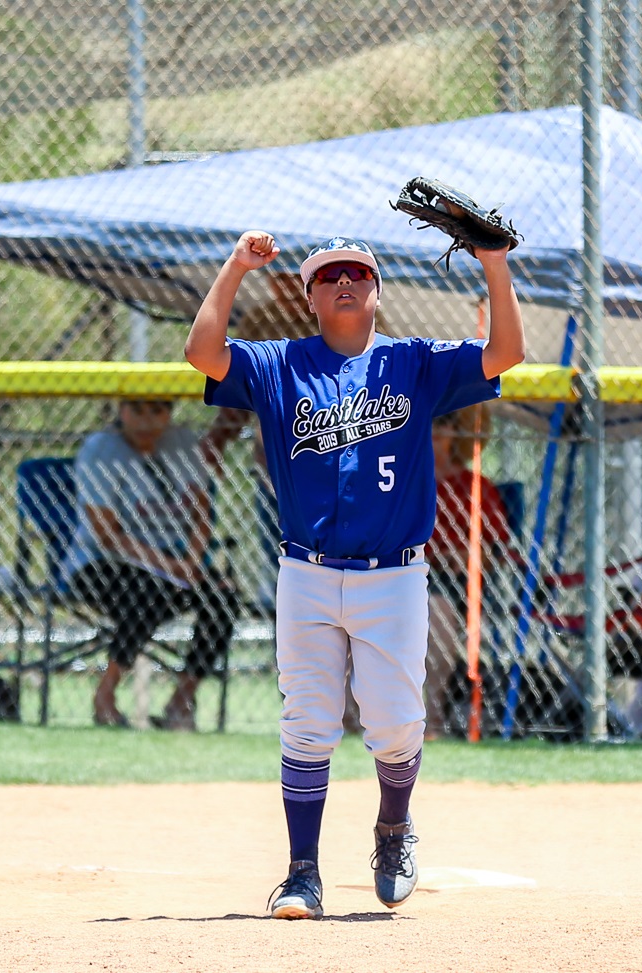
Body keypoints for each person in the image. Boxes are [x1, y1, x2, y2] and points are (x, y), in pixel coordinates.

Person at [185, 232, 524, 918]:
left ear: (378, 291)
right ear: (309, 296)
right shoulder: (280, 364)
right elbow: (201, 353)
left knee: (395, 726)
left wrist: (493, 262)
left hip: (393, 576)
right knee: (307, 722)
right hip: (305, 571)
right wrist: (236, 268)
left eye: (357, 272)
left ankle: (393, 827)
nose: (344, 281)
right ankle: (301, 872)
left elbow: (506, 353)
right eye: (328, 275)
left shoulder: (413, 362)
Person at [63, 399, 240, 730]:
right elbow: (107, 535)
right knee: (148, 592)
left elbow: (202, 514)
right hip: (101, 564)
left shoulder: (183, 444)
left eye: (158, 411)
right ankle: (106, 695)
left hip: (172, 563)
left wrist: (190, 562)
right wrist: (172, 568)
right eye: (138, 410)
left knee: (223, 597)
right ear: (121, 410)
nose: (147, 421)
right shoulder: (101, 450)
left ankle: (181, 701)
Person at [425, 406, 512, 737]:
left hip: (452, 582)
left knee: (439, 610)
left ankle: (431, 718)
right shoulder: (398, 480)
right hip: (402, 571)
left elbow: (488, 553)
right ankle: (350, 720)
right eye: (430, 422)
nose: (436, 430)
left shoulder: (477, 487)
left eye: (444, 422)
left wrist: (452, 557)